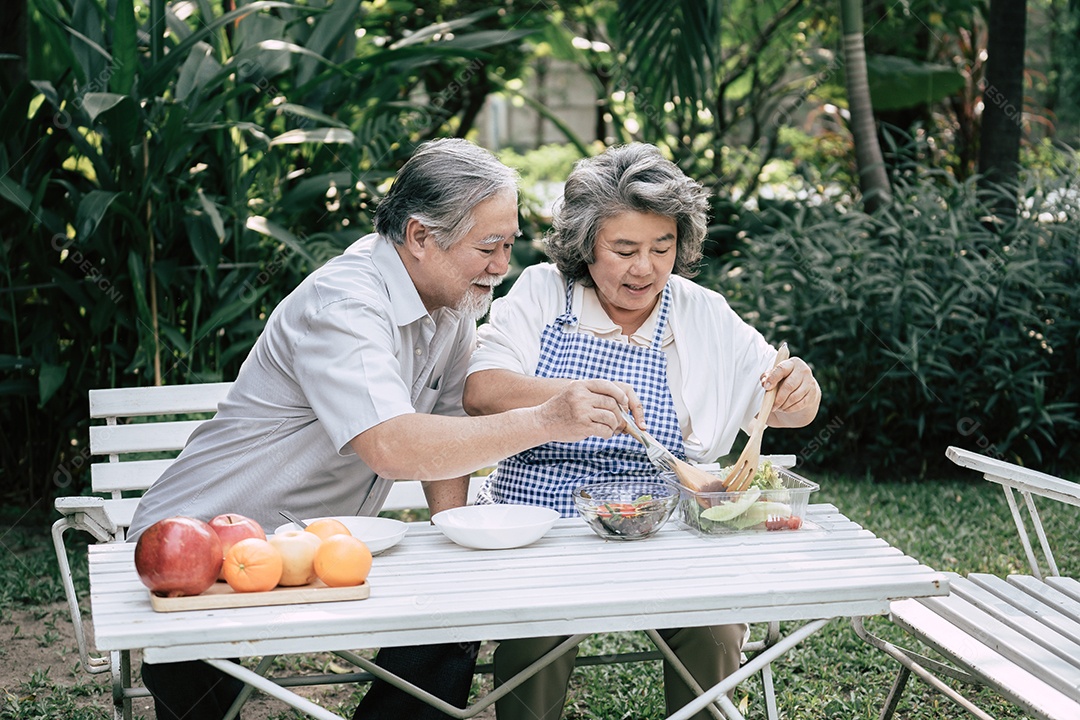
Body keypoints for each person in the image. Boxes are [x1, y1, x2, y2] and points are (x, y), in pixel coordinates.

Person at [126, 138, 637, 720]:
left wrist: (453, 533)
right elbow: (393, 445)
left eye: (509, 244)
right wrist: (544, 420)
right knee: (198, 688)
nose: (503, 266)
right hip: (202, 544)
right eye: (489, 247)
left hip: (316, 547)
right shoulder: (344, 303)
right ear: (420, 237)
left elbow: (445, 423)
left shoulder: (450, 305)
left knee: (451, 621)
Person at [462, 143, 821, 720]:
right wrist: (563, 401)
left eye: (663, 247)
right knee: (536, 637)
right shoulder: (541, 292)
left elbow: (781, 405)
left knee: (715, 631)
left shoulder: (701, 312)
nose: (645, 268)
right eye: (623, 249)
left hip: (665, 523)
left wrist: (802, 389)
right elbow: (480, 390)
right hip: (544, 521)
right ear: (585, 246)